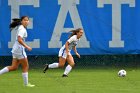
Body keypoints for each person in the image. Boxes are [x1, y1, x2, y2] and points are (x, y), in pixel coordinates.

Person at [0, 16, 35, 87]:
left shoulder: (21, 27)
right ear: (21, 21)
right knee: (26, 66)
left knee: (14, 67)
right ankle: (26, 84)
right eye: (25, 20)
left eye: (27, 20)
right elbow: (19, 39)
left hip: (15, 49)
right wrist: (27, 46)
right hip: (19, 50)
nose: (26, 21)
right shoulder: (22, 29)